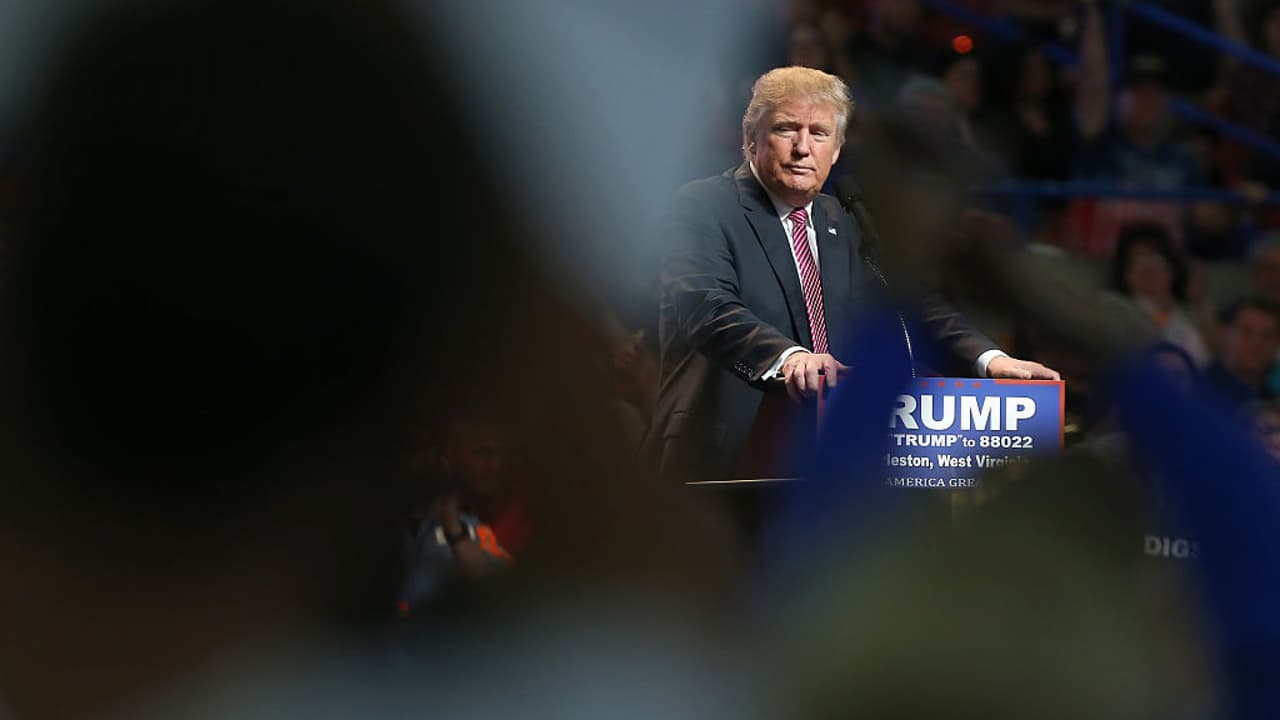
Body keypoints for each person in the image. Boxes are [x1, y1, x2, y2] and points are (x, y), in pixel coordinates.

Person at [646, 66, 1057, 483]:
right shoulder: (702, 206)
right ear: (751, 137)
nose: (803, 147)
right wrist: (789, 359)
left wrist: (991, 360)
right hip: (718, 457)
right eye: (787, 129)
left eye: (819, 133)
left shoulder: (840, 218)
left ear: (837, 149)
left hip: (822, 461)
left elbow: (911, 305)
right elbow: (706, 307)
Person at [1107, 223, 1211, 368]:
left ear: (1172, 268)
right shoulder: (1115, 313)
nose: (1148, 269)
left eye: (1156, 260)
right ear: (1125, 274)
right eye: (1137, 262)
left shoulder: (1192, 315)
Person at [1204, 298, 1280, 410]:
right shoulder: (1200, 390)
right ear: (1224, 334)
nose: (1257, 342)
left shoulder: (1273, 395)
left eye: (1268, 335)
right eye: (1247, 332)